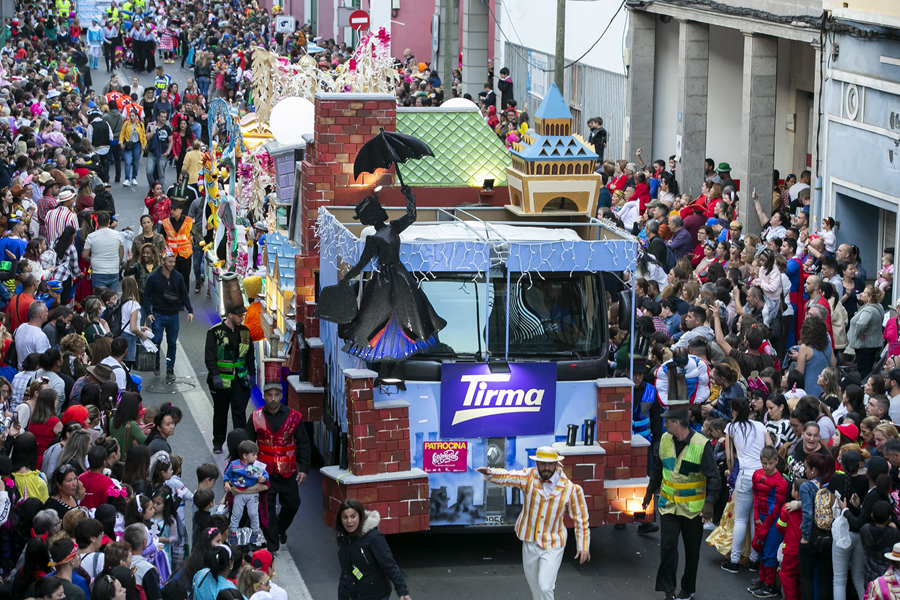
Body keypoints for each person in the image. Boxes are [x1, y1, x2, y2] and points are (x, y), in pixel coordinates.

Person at [476, 446, 590, 600]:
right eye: (542, 464)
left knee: (545, 586)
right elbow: (509, 477)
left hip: (553, 543)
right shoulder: (529, 476)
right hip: (530, 541)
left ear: (556, 464)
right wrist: (491, 473)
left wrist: (583, 546)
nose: (546, 468)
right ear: (537, 464)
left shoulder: (571, 489)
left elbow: (581, 519)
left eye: (550, 464)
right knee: (535, 589)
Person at [642, 407, 720, 600]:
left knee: (692, 551)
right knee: (668, 548)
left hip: (692, 510)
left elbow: (714, 478)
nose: (664, 424)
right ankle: (669, 590)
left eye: (667, 421)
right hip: (668, 506)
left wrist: (709, 503)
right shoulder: (665, 441)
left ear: (677, 423)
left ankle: (688, 588)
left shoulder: (702, 445)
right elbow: (658, 469)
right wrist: (649, 492)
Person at [245, 383, 311, 551]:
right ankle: (273, 546)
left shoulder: (294, 417)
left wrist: (303, 469)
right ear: (264, 396)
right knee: (266, 512)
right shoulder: (255, 417)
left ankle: (279, 529)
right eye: (269, 395)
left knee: (293, 505)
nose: (273, 399)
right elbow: (246, 444)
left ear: (281, 396)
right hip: (264, 475)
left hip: (288, 473)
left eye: (276, 395)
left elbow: (303, 443)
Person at [722, 398, 772, 574]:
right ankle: (753, 560)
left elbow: (729, 456)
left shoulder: (731, 427)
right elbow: (770, 447)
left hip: (744, 474)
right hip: (761, 475)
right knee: (754, 518)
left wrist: (730, 472)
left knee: (740, 519)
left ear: (734, 411)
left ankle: (734, 560)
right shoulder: (760, 426)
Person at [335, 498, 411, 600]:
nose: (349, 521)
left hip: (374, 595)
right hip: (348, 594)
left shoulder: (373, 537)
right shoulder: (342, 537)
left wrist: (402, 589)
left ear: (360, 516)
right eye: (345, 517)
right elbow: (347, 569)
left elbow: (388, 564)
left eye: (353, 516)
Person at [206, 302, 255, 451]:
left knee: (239, 413)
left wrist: (252, 375)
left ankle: (240, 445)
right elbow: (210, 358)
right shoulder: (215, 332)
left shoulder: (245, 332)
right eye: (239, 316)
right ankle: (218, 443)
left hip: (241, 381)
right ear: (230, 315)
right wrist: (215, 376)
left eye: (243, 315)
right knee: (220, 412)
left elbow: (250, 356)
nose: (242, 318)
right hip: (221, 381)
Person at [142, 249, 194, 379]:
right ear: (163, 261)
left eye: (173, 262)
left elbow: (184, 294)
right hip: (158, 314)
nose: (172, 264)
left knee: (172, 343)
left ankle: (170, 369)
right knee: (156, 341)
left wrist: (190, 310)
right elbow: (146, 295)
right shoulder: (153, 277)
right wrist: (148, 313)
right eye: (170, 262)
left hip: (173, 315)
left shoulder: (178, 277)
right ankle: (157, 363)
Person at [223, 440, 267, 546]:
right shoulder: (234, 465)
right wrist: (226, 484)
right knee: (236, 514)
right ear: (245, 456)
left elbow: (265, 475)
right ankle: (233, 533)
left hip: (252, 495)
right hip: (239, 494)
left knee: (253, 513)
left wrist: (263, 478)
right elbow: (227, 475)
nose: (256, 457)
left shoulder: (257, 466)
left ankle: (255, 532)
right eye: (253, 454)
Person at [83, 211, 124, 292]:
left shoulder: (91, 236)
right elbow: (121, 253)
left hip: (98, 271)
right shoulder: (117, 235)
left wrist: (93, 260)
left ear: (97, 221)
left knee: (99, 298)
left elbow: (84, 255)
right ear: (109, 221)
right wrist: (117, 263)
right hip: (113, 270)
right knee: (112, 298)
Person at [161, 199, 193, 286]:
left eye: (174, 209)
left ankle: (184, 298)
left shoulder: (188, 221)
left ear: (180, 210)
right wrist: (163, 257)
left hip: (185, 256)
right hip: (171, 256)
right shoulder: (165, 222)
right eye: (171, 209)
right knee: (172, 280)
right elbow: (161, 241)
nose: (172, 211)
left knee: (185, 279)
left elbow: (197, 234)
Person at [14, 301, 51, 368]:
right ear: (41, 315)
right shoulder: (40, 336)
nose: (47, 313)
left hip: (20, 372)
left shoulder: (20, 328)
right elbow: (42, 362)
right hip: (34, 376)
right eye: (46, 311)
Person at [146, 110, 172, 187]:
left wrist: (168, 152)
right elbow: (147, 138)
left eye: (165, 117)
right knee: (149, 172)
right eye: (162, 117)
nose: (163, 118)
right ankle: (153, 187)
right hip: (152, 153)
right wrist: (154, 129)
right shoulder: (151, 126)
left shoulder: (167, 128)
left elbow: (171, 141)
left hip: (162, 154)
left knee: (161, 174)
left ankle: (160, 189)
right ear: (158, 117)